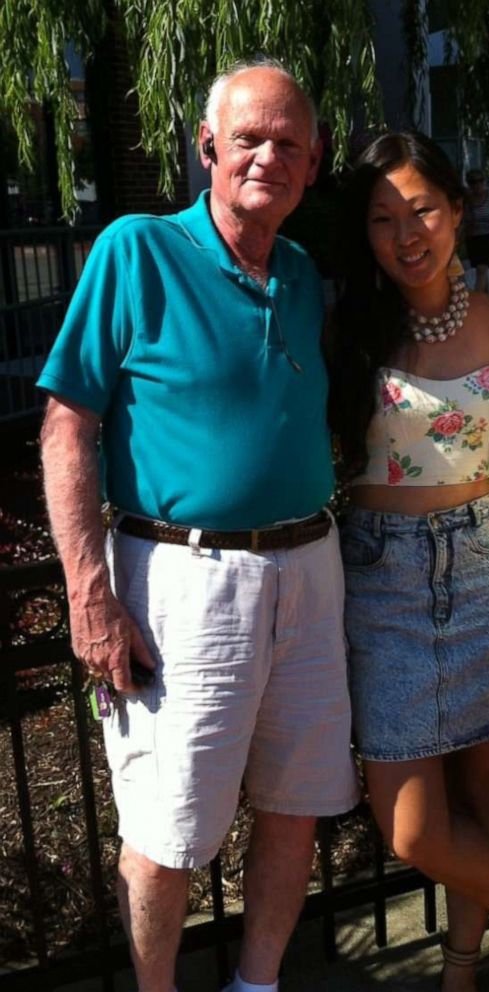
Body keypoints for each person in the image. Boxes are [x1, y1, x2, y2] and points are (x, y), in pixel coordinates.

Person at [37, 59, 360, 992]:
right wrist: (88, 593)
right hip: (185, 580)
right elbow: (68, 425)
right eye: (250, 138)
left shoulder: (299, 271)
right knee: (168, 825)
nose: (269, 156)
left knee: (295, 805)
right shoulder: (136, 249)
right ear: (208, 147)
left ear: (313, 162)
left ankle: (255, 984)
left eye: (289, 143)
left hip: (309, 566)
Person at [328, 131, 489, 992]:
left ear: (459, 209)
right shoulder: (343, 325)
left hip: (483, 567)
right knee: (415, 830)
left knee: (480, 799)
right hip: (379, 579)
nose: (406, 232)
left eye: (422, 208)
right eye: (383, 217)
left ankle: (465, 966)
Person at [463, 169, 489, 294]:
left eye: (480, 181)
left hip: (488, 237)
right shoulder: (467, 199)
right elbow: (464, 219)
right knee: (481, 271)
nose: (477, 185)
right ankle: (487, 299)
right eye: (473, 182)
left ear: (484, 181)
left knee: (482, 269)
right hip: (473, 239)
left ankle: (478, 303)